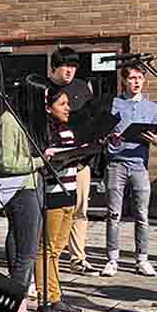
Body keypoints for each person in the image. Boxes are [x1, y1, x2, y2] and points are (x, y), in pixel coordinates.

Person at [101, 65, 157, 278]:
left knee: (142, 215)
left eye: (139, 78)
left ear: (144, 81)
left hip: (139, 165)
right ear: (124, 81)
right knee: (113, 214)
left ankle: (142, 259)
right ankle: (112, 259)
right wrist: (112, 138)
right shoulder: (114, 104)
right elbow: (103, 134)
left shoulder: (152, 107)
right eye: (132, 78)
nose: (136, 82)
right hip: (116, 163)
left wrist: (156, 139)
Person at [0, 93, 43, 312]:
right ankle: (15, 311)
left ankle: (19, 305)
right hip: (19, 189)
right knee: (27, 252)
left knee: (22, 248)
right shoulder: (9, 121)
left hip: (31, 185)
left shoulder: (24, 120)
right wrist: (40, 161)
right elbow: (7, 163)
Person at [47, 46, 99, 276]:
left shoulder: (81, 88)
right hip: (55, 163)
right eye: (65, 65)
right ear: (54, 67)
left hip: (80, 161)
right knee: (55, 212)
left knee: (80, 210)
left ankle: (78, 258)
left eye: (73, 66)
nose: (69, 70)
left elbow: (91, 120)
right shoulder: (44, 89)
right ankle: (51, 257)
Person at [32, 85, 81, 312]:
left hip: (71, 193)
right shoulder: (45, 134)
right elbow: (46, 166)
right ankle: (45, 298)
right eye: (62, 104)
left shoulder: (69, 131)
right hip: (54, 195)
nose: (67, 108)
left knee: (58, 250)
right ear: (48, 108)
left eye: (68, 104)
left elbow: (76, 161)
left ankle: (56, 295)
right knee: (47, 249)